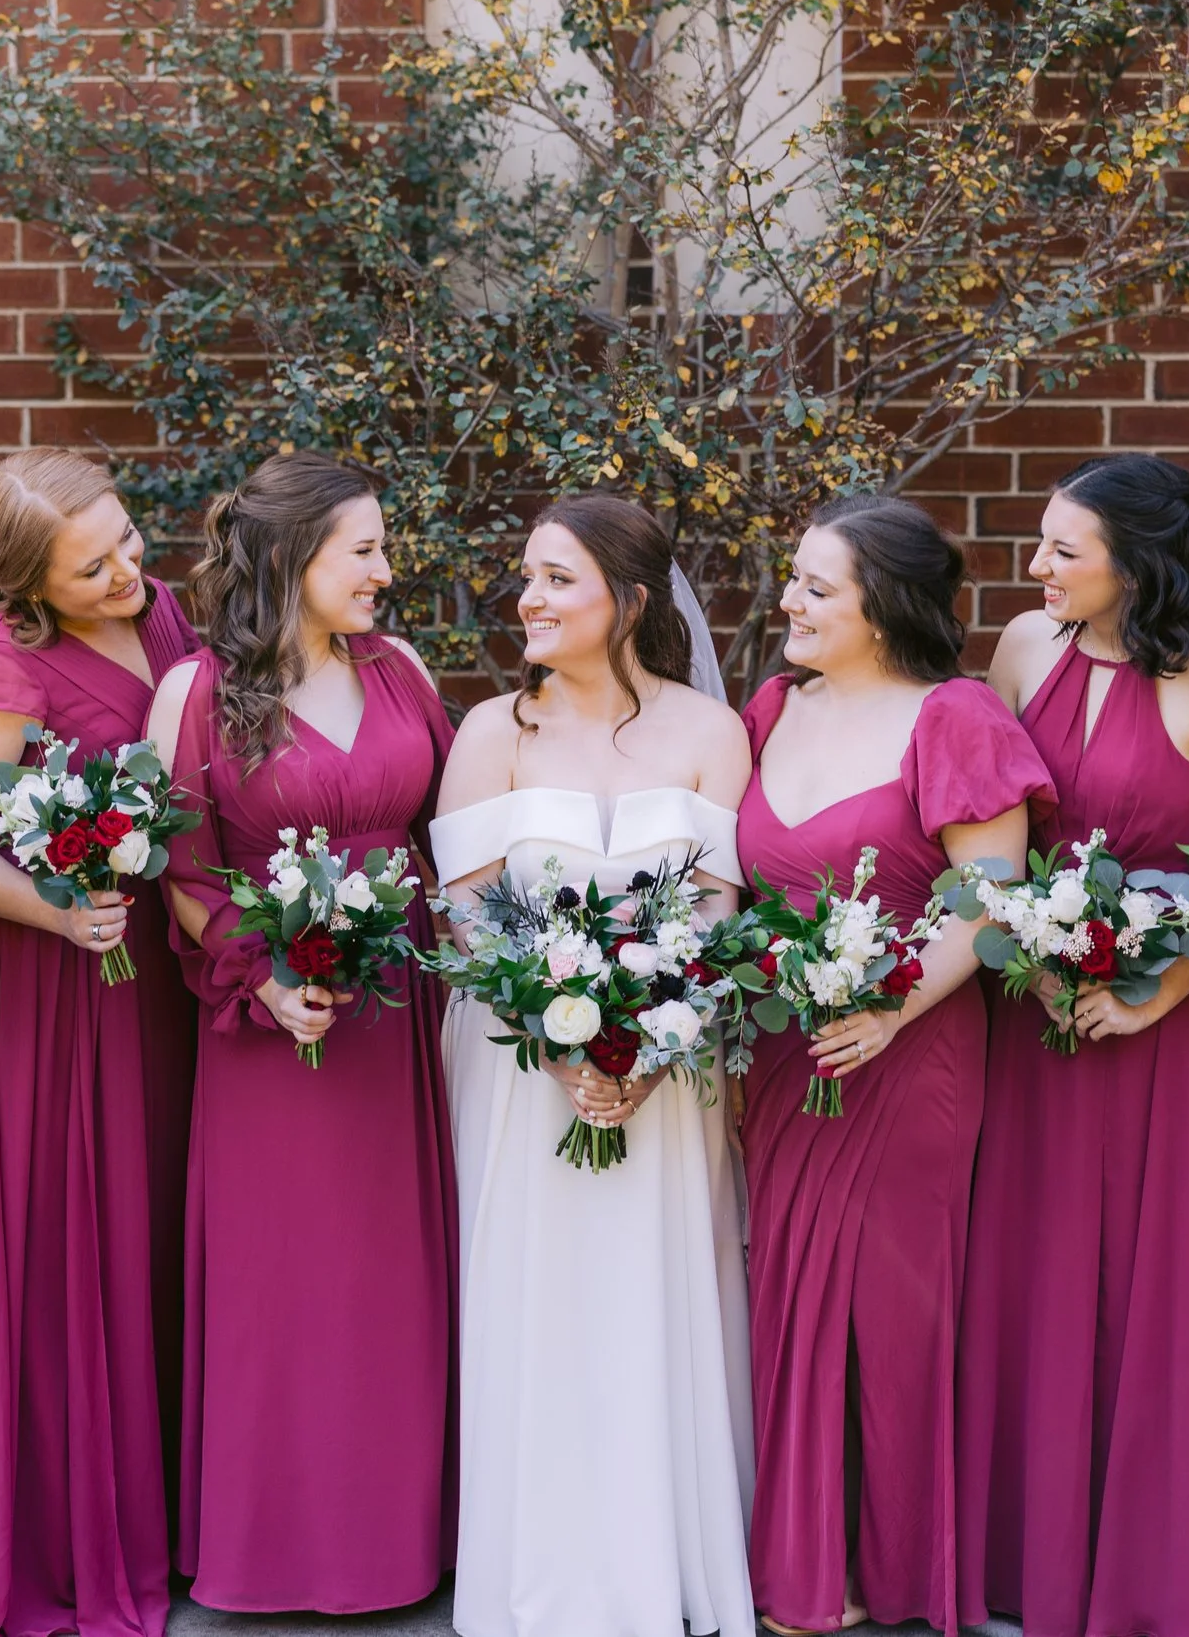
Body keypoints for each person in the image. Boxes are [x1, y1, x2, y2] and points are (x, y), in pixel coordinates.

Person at [958, 453, 1189, 1637]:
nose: (1035, 567)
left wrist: (1156, 994)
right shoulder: (1020, 647)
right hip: (1029, 1011)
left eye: (1061, 550)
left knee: (1151, 1284)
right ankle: (1017, 1560)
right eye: (1038, 544)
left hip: (1160, 1028)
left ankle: (1151, 1574)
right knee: (1025, 1269)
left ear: (1134, 563)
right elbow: (984, 837)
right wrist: (1032, 960)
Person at [431, 495, 757, 1637]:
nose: (527, 596)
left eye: (556, 578)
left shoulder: (711, 734)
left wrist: (651, 1045)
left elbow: (719, 908)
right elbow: (465, 908)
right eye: (525, 573)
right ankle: (534, 1575)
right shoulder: (489, 732)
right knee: (533, 1288)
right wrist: (561, 1031)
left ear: (627, 598)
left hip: (669, 1071)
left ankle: (659, 1566)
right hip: (520, 1068)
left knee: (651, 1285)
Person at [146, 452, 458, 1614]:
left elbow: (446, 831)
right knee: (285, 1285)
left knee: (392, 1277)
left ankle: (396, 1541)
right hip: (267, 1023)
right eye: (363, 549)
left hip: (395, 1020)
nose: (386, 569)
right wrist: (265, 977)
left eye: (382, 546)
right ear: (289, 559)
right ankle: (268, 1547)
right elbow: (181, 869)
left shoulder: (402, 669)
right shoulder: (196, 691)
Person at [735, 495, 1046, 1634]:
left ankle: (891, 1564)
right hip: (785, 1050)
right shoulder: (773, 706)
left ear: (885, 607)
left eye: (818, 586)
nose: (790, 602)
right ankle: (808, 1561)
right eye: (794, 578)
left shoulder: (954, 716)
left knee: (888, 1306)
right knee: (787, 1294)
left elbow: (991, 895)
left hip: (907, 1049)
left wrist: (887, 1009)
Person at [0, 448, 199, 1637]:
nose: (129, 571)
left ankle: (180, 1503)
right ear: (28, 578)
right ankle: (64, 1524)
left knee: (151, 1219)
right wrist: (59, 909)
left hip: (149, 979)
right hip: (40, 981)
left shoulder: (162, 607)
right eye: (93, 566)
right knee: (59, 1240)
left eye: (129, 540)